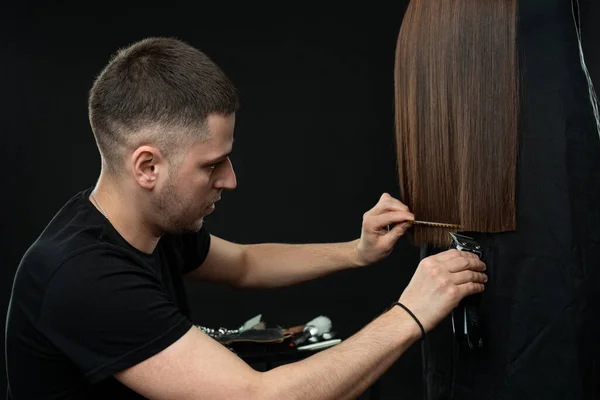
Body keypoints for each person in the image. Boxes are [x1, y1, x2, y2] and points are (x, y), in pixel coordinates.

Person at [5, 37, 487, 400]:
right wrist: (411, 315)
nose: (231, 179)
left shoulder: (146, 223)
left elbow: (244, 265)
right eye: (212, 164)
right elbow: (260, 398)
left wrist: (356, 253)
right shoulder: (83, 278)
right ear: (148, 167)